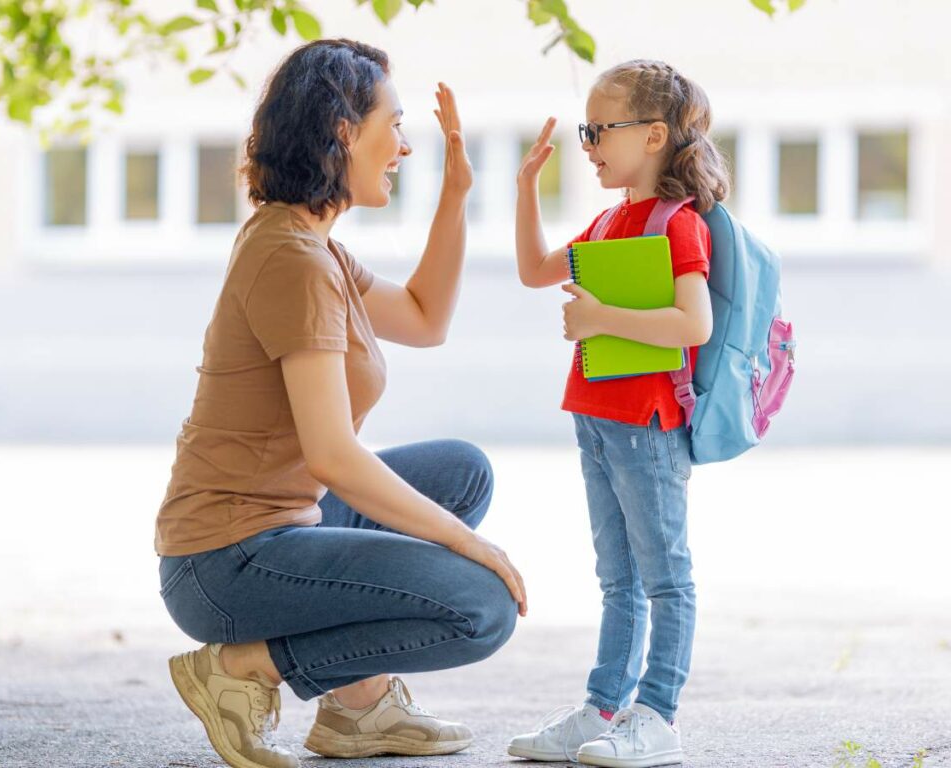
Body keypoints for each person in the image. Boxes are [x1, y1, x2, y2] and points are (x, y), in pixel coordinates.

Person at [155, 39, 526, 768]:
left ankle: (359, 711)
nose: (405, 146)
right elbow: (333, 454)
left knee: (462, 472)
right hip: (226, 563)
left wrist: (455, 196)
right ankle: (241, 667)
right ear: (345, 131)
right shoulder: (292, 260)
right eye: (395, 124)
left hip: (286, 524)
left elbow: (424, 318)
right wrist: (466, 541)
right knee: (479, 608)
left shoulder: (310, 244)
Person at [508, 59, 729, 767]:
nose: (590, 143)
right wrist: (524, 189)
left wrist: (603, 315)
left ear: (655, 135)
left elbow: (691, 326)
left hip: (648, 423)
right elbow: (535, 270)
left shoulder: (677, 224)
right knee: (617, 578)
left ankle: (656, 716)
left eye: (601, 129)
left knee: (665, 575)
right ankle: (604, 707)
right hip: (597, 419)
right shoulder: (608, 220)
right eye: (588, 129)